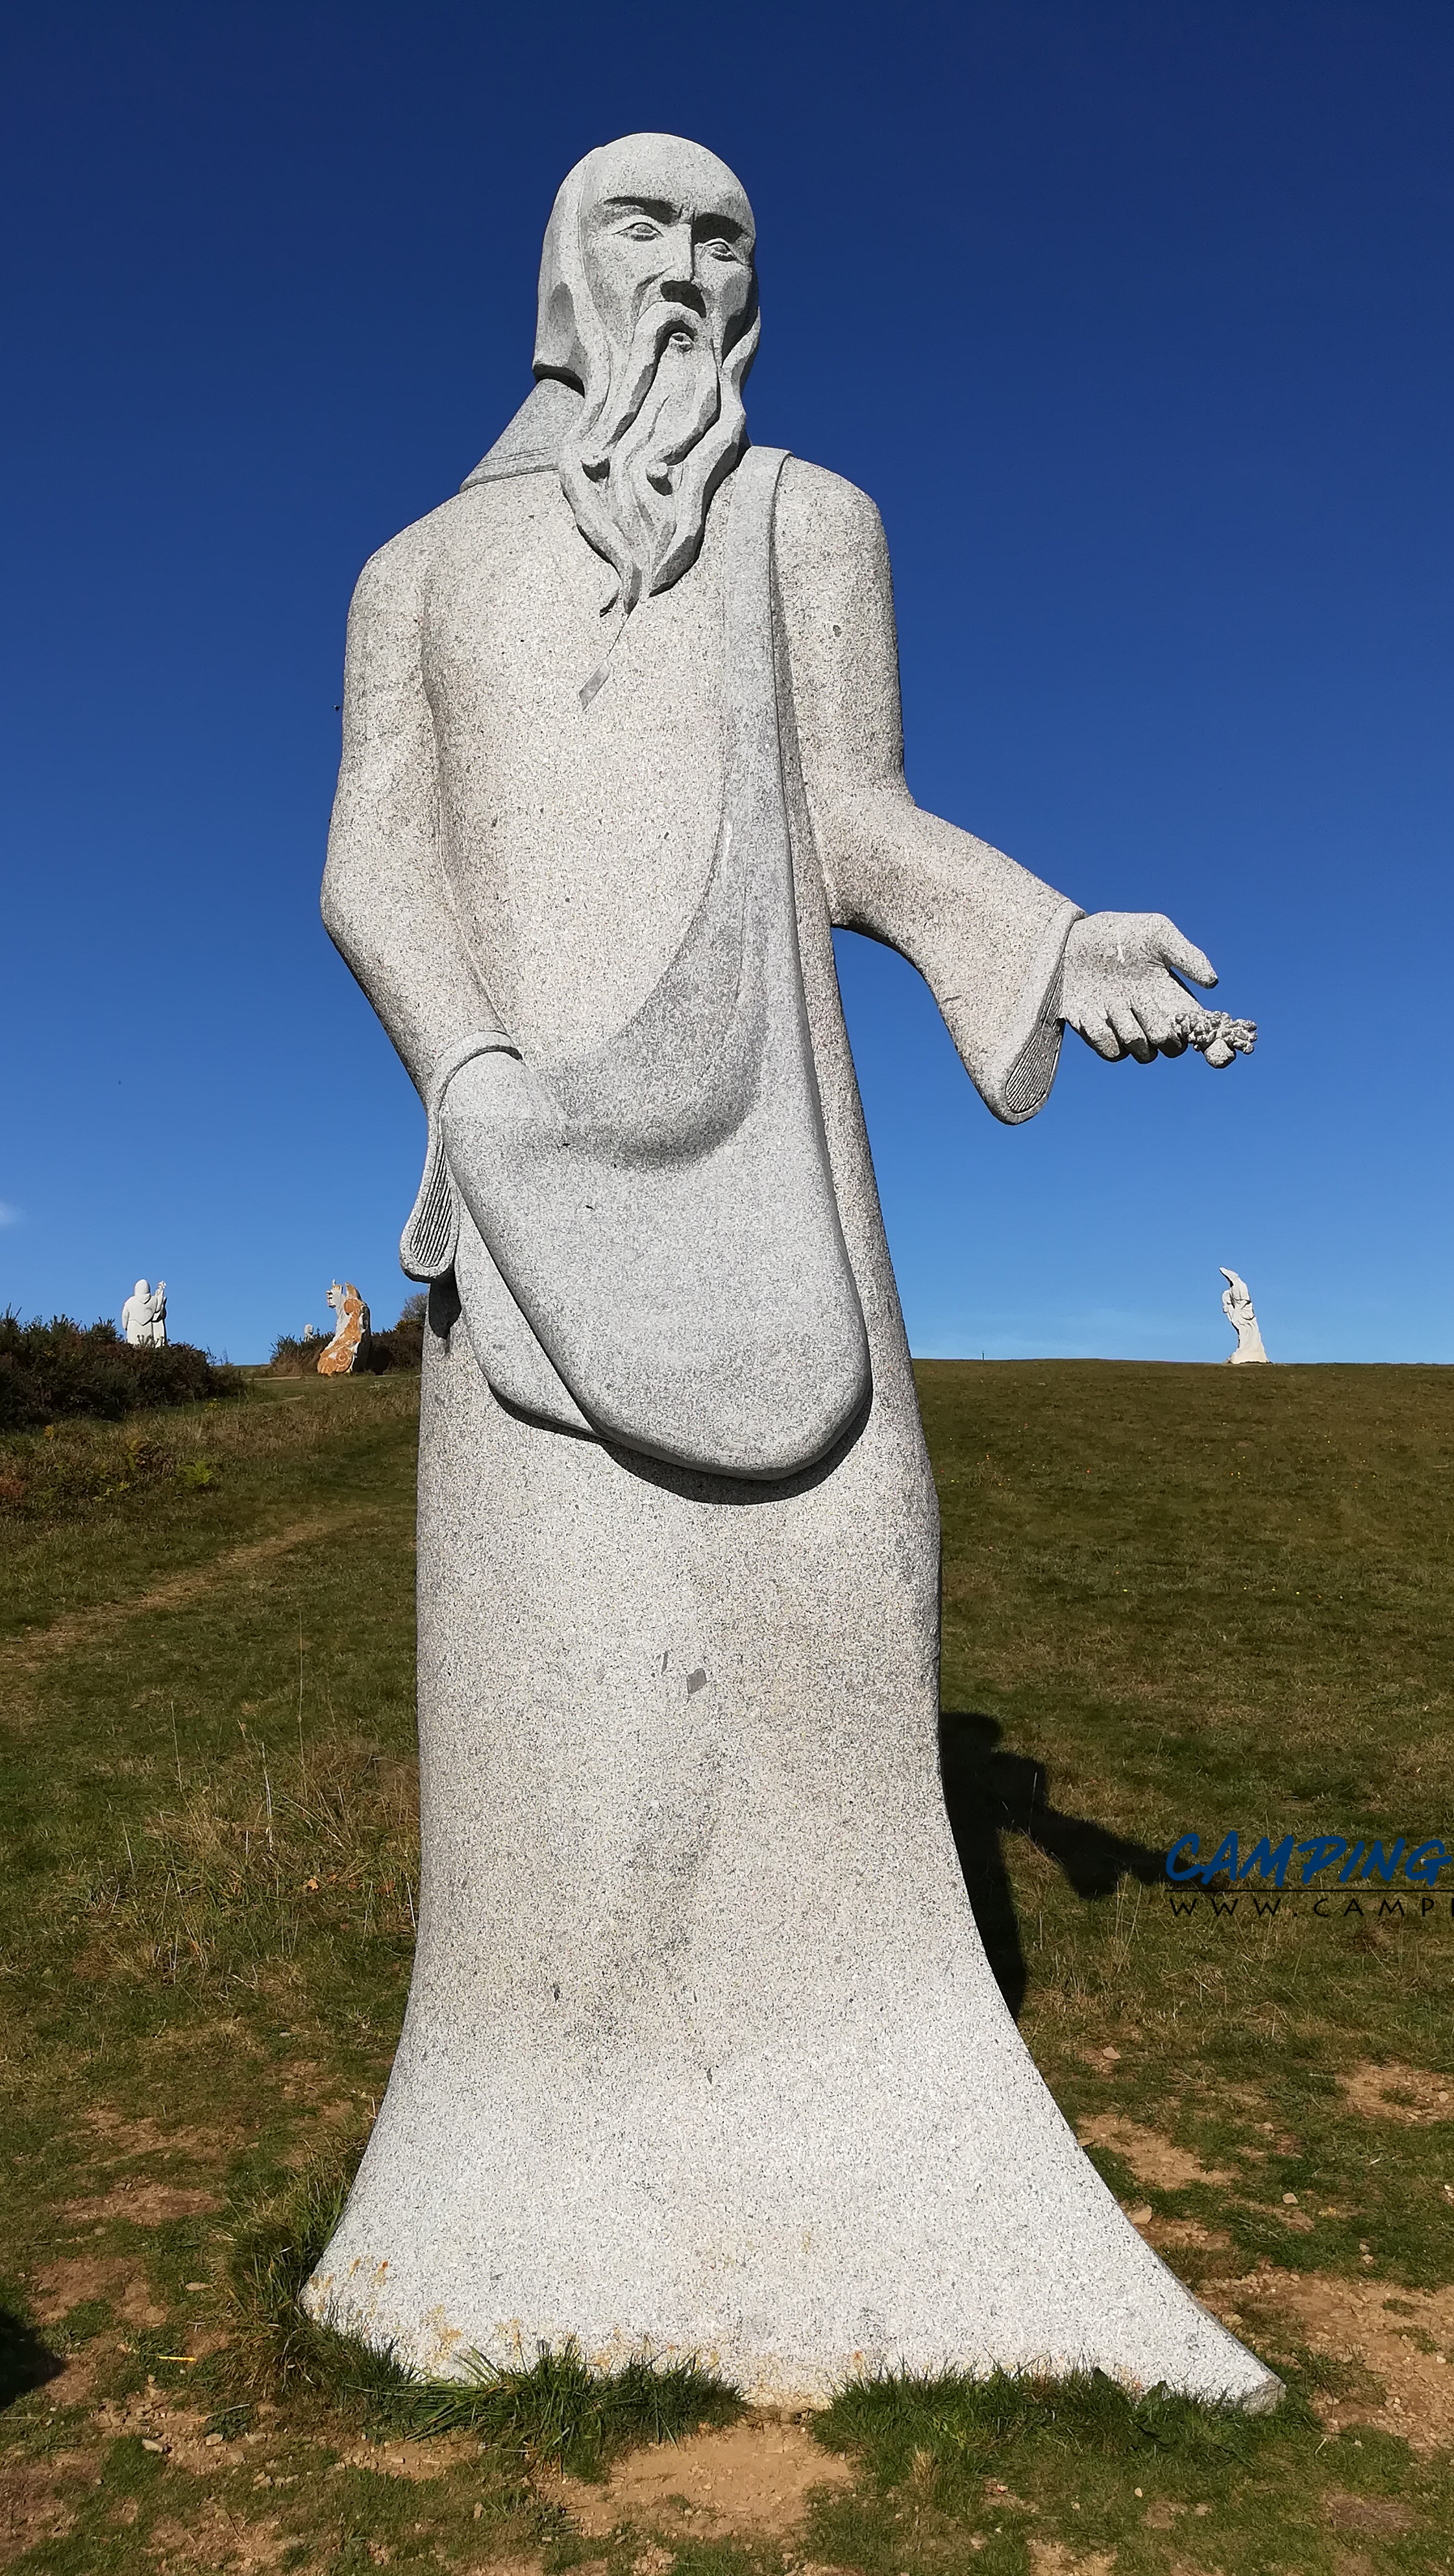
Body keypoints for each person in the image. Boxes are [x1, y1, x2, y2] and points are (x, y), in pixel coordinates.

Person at [308, 134, 1272, 2409]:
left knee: (835, 1604)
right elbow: (370, 852)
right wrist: (477, 1087)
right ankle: (519, 2199)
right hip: (529, 1196)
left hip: (783, 1198)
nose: (689, 266)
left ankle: (877, 2159)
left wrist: (1046, 928)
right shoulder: (419, 571)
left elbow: (854, 810)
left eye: (727, 234)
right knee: (577, 1733)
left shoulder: (808, 526)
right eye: (642, 225)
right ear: (563, 268)